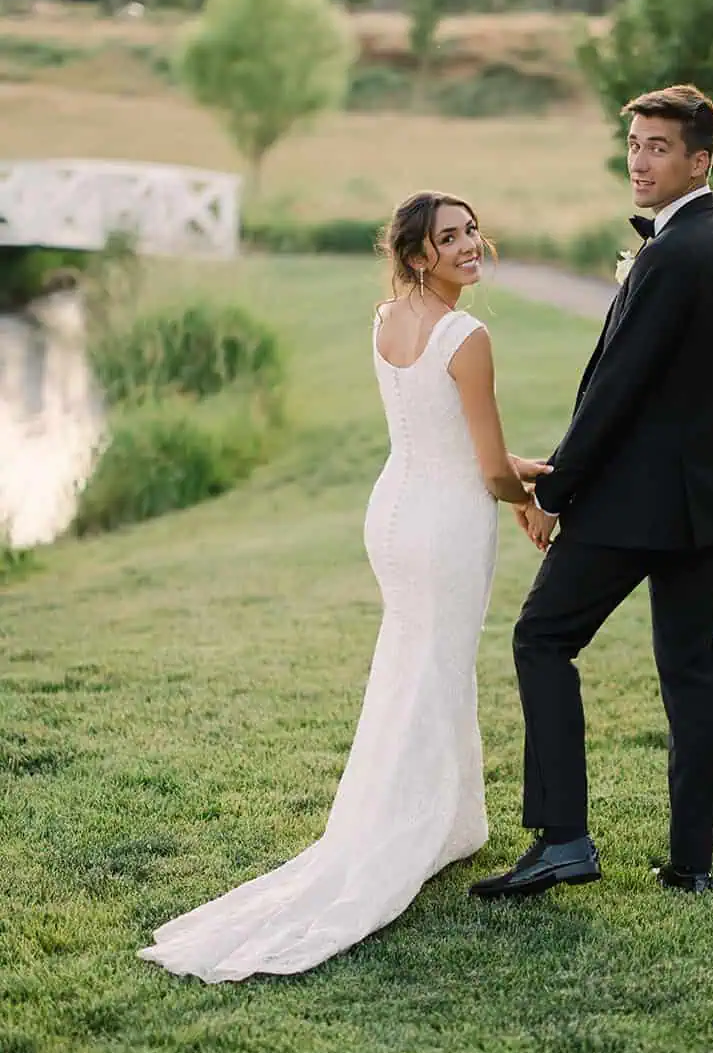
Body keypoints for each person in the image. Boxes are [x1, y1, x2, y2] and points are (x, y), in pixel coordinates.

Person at [139, 192, 542, 982]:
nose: (470, 246)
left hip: (394, 510)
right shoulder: (466, 335)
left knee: (415, 663)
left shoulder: (386, 319)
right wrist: (529, 498)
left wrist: (520, 472)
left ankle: (451, 821)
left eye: (471, 231)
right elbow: (488, 468)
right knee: (435, 665)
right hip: (446, 524)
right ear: (418, 254)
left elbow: (444, 443)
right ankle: (406, 831)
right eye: (449, 238)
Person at [470, 85, 713, 903]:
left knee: (541, 639)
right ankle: (691, 864)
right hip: (701, 504)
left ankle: (563, 839)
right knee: (690, 671)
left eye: (658, 148)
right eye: (633, 144)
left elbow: (616, 390)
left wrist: (556, 491)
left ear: (699, 159)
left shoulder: (675, 253)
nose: (639, 160)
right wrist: (702, 463)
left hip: (635, 505)